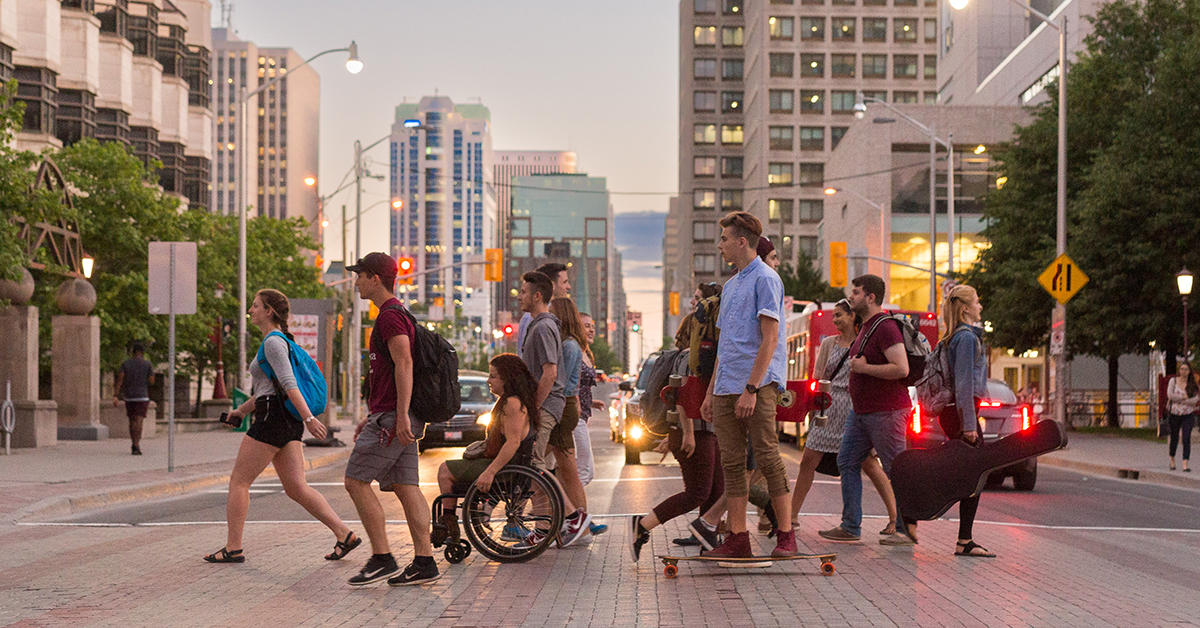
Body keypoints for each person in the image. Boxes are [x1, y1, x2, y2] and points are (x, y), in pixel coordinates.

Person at [204, 289, 359, 565]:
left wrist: (310, 419)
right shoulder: (279, 341)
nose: (250, 310)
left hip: (274, 418)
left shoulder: (274, 343)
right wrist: (240, 412)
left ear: (269, 312)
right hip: (286, 420)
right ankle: (344, 534)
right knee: (297, 487)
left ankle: (233, 548)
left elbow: (289, 385)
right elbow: (269, 389)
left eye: (255, 306)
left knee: (239, 481)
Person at [699, 211, 796, 558]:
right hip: (727, 385)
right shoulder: (730, 285)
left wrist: (752, 389)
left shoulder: (766, 280)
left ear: (741, 242)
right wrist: (712, 391)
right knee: (733, 464)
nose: (720, 245)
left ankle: (786, 534)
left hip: (758, 385)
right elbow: (726, 345)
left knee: (768, 456)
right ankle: (737, 539)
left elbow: (769, 339)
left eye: (724, 239)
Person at [342, 253, 439, 586]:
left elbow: (405, 364)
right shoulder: (396, 314)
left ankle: (382, 557)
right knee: (407, 487)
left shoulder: (389, 317)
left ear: (375, 279)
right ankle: (424, 561)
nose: (355, 282)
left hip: (395, 417)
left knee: (354, 481)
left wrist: (398, 418)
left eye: (359, 276)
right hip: (391, 414)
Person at [790, 299, 900, 539]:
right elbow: (818, 376)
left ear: (853, 316)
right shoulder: (829, 344)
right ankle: (791, 516)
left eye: (840, 315)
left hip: (853, 409)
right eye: (834, 317)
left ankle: (895, 518)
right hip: (828, 411)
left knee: (869, 464)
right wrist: (813, 407)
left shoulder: (864, 343)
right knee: (808, 460)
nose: (836, 320)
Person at [819, 274, 916, 545]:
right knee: (847, 461)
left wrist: (864, 369)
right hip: (861, 413)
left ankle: (905, 529)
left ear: (870, 297)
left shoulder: (885, 327)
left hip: (886, 412)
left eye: (857, 292)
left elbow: (901, 368)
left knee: (896, 469)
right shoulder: (865, 327)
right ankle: (850, 526)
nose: (852, 296)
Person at [629, 314, 724, 561]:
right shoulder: (688, 357)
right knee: (697, 493)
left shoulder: (705, 355)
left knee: (717, 490)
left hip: (708, 431)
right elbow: (681, 395)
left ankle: (708, 543)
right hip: (696, 432)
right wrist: (688, 434)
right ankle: (642, 525)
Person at [517, 271, 591, 547]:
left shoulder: (545, 327)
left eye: (523, 292)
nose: (519, 296)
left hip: (547, 406)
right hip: (549, 406)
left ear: (537, 296)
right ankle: (552, 525)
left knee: (535, 465)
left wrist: (534, 408)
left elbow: (550, 372)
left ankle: (572, 517)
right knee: (542, 464)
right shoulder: (542, 325)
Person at [435, 354, 538, 540]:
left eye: (493, 376)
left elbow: (513, 442)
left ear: (506, 378)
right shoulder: (512, 400)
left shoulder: (512, 403)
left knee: (445, 470)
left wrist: (489, 472)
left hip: (506, 467)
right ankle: (449, 524)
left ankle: (449, 526)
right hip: (507, 463)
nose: (488, 380)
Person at [940, 284, 994, 557]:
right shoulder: (966, 339)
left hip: (954, 412)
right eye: (977, 301)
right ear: (965, 308)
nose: (980, 306)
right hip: (961, 413)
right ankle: (964, 540)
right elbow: (964, 384)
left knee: (967, 474)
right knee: (975, 474)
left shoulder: (955, 338)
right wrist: (969, 426)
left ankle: (965, 538)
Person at [549, 296, 594, 541]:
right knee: (568, 470)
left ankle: (573, 521)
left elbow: (562, 382)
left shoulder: (568, 345)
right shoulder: (572, 344)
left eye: (552, 312)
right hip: (569, 407)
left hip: (562, 407)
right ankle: (583, 526)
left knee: (538, 465)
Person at [578, 312, 609, 536]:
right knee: (583, 471)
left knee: (585, 472)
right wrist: (578, 403)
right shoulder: (572, 350)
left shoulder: (585, 352)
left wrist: (591, 401)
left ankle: (570, 518)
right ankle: (576, 520)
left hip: (582, 414)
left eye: (592, 326)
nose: (590, 330)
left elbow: (582, 385)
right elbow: (570, 383)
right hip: (574, 417)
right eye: (585, 326)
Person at [516, 262, 571, 350]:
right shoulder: (532, 317)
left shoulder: (555, 313)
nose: (569, 287)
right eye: (565, 282)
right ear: (551, 285)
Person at [114, 342, 155, 456]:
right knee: (139, 420)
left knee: (132, 420)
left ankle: (133, 442)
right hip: (142, 396)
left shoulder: (126, 364)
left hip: (129, 396)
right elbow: (152, 380)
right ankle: (136, 444)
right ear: (142, 352)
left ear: (133, 352)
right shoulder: (147, 364)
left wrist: (115, 395)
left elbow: (120, 380)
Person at [1167, 361, 1199, 472]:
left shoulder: (1192, 384)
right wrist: (1184, 398)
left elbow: (1195, 400)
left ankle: (1185, 463)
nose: (1183, 371)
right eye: (1181, 369)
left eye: (1186, 369)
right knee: (1174, 437)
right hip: (1175, 414)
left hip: (1188, 414)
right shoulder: (1173, 381)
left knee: (1186, 438)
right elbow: (1170, 395)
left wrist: (1181, 400)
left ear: (1189, 372)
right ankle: (1172, 459)